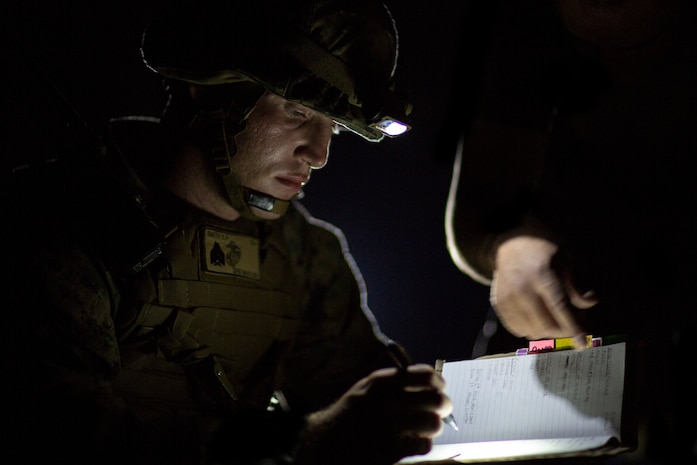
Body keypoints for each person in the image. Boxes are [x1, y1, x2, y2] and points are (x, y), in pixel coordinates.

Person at [1, 1, 453, 464]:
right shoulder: (62, 221)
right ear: (210, 91)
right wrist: (301, 443)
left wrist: (417, 406)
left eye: (333, 128)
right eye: (297, 110)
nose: (319, 154)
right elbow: (60, 431)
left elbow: (359, 388)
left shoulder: (303, 252)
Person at [443, 0, 696, 463]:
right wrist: (505, 247)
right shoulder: (520, 33)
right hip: (548, 363)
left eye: (633, 45)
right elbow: (475, 214)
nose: (604, 60)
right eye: (583, 36)